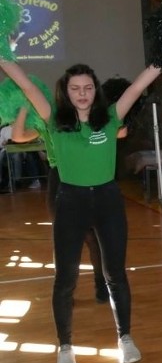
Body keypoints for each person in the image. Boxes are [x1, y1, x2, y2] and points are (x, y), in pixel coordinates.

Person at [0, 57, 162, 363]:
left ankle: (125, 338)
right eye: (76, 88)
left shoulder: (111, 118)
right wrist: (4, 58)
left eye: (88, 87)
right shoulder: (53, 119)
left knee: (115, 273)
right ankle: (65, 347)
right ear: (67, 92)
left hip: (107, 201)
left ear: (95, 90)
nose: (83, 93)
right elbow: (28, 86)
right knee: (65, 279)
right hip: (70, 202)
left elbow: (139, 85)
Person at [9, 106, 112, 303]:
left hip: (87, 176)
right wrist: (23, 105)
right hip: (60, 177)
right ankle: (66, 292)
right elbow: (18, 136)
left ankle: (102, 286)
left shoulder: (86, 120)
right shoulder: (49, 123)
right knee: (64, 239)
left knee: (93, 237)